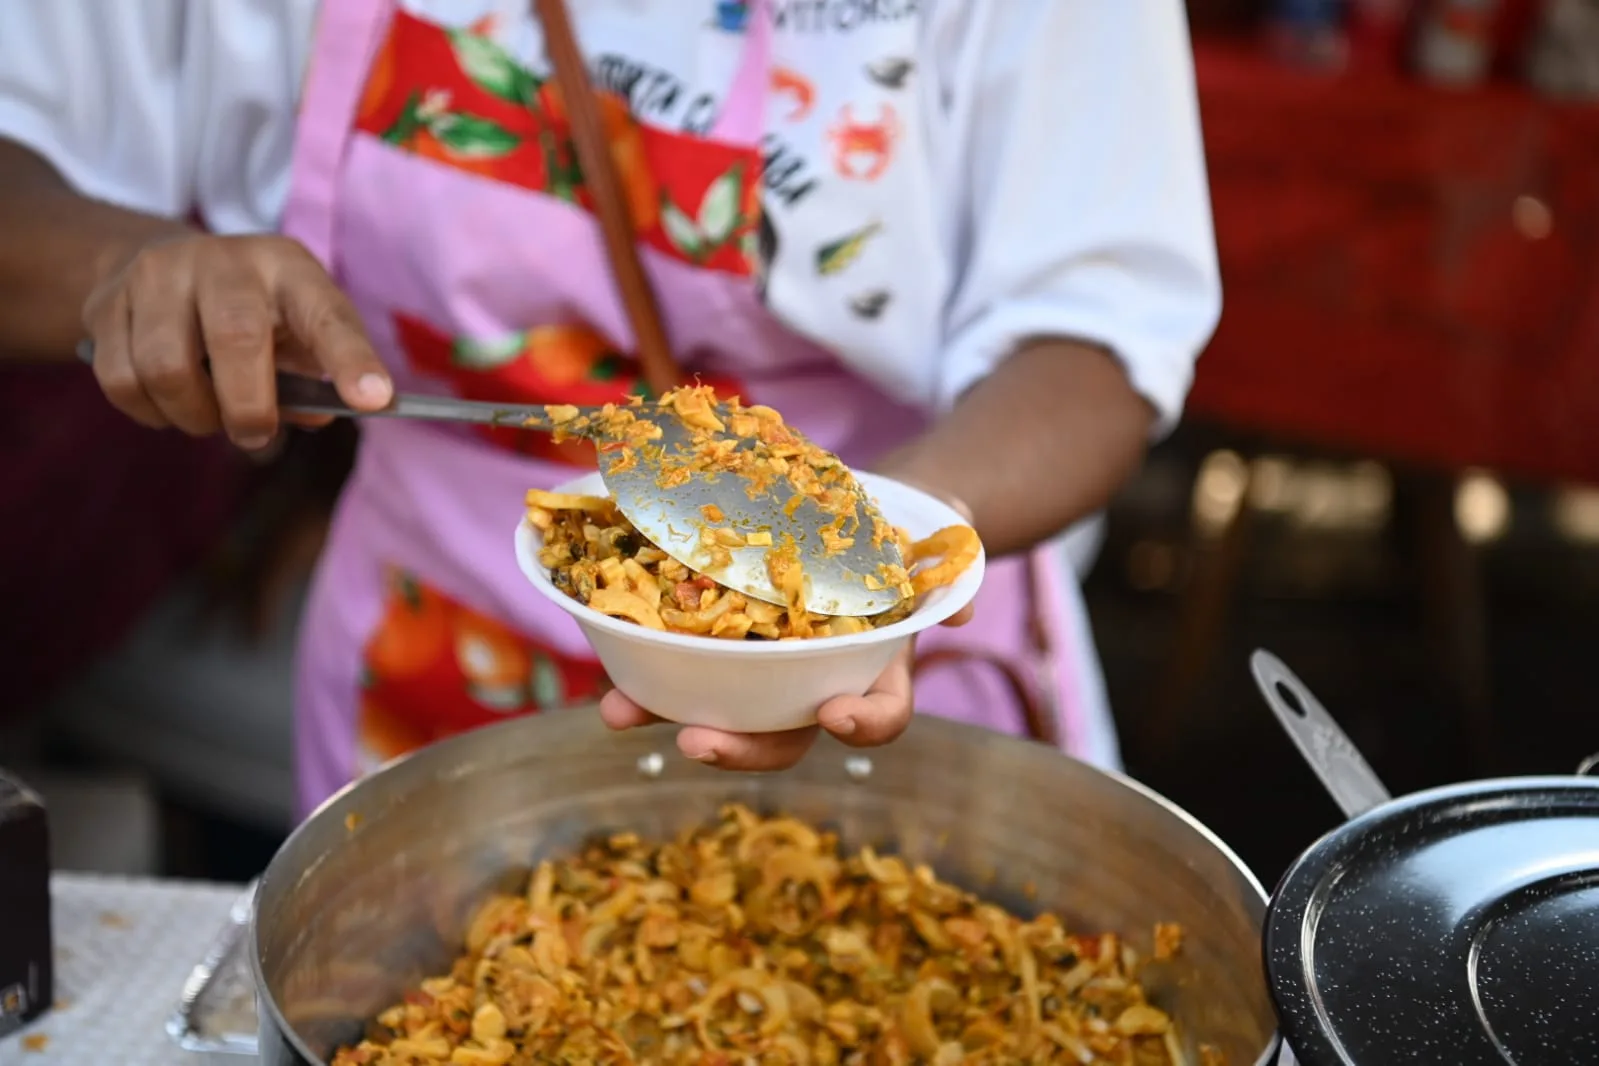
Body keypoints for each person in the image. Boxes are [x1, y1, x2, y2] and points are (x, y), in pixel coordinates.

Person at [0, 0, 1219, 818]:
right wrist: (131, 271)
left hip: (875, 652)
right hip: (429, 676)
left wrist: (868, 564)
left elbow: (1097, 337)